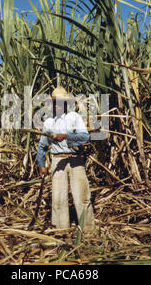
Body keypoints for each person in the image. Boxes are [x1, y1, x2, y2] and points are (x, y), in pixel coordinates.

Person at [36, 86, 95, 234]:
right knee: (58, 199)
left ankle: (88, 232)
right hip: (57, 161)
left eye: (60, 102)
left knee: (82, 197)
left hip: (75, 160)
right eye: (55, 101)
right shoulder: (49, 122)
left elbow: (85, 137)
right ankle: (62, 231)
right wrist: (41, 164)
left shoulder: (74, 117)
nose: (57, 104)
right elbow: (42, 145)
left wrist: (66, 136)